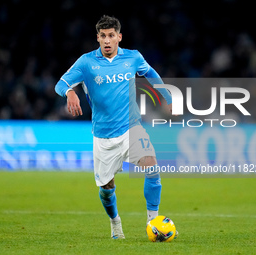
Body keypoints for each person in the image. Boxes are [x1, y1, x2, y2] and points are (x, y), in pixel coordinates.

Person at [55, 15, 172, 239]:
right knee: (107, 190)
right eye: (102, 36)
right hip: (103, 135)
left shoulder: (133, 57)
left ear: (119, 37)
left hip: (132, 127)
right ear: (97, 38)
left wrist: (168, 96)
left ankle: (152, 221)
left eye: (111, 36)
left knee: (152, 166)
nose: (107, 40)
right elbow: (61, 84)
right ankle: (115, 222)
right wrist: (70, 92)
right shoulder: (86, 62)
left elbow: (151, 74)